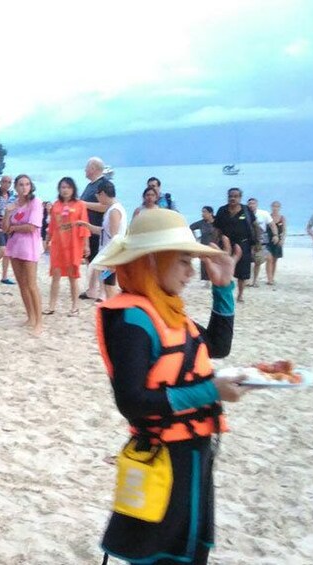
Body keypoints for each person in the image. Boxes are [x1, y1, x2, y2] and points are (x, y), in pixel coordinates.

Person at [91, 208, 247, 565]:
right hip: (162, 461)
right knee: (161, 557)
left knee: (191, 553)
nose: (191, 272)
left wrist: (223, 288)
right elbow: (132, 401)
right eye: (182, 262)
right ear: (151, 261)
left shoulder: (166, 309)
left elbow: (216, 347)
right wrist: (212, 390)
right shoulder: (132, 319)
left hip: (193, 456)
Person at [3, 174, 45, 335]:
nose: (24, 187)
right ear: (16, 187)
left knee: (31, 284)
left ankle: (39, 321)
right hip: (14, 246)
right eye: (21, 184)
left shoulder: (35, 202)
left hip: (29, 246)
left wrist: (13, 228)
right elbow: (5, 228)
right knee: (21, 284)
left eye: (27, 184)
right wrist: (7, 214)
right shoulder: (13, 205)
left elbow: (32, 227)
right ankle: (30, 317)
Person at [46, 177, 91, 316]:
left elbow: (84, 225)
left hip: (73, 245)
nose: (65, 190)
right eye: (63, 187)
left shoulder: (79, 204)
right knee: (56, 275)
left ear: (73, 189)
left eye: (68, 187)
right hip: (58, 244)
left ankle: (75, 307)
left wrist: (86, 245)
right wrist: (47, 240)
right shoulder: (56, 205)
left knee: (73, 276)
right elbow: (52, 226)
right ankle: (51, 306)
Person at [77, 182, 126, 300]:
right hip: (108, 254)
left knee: (110, 287)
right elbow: (105, 232)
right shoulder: (112, 209)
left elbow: (115, 238)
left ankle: (113, 313)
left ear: (103, 193)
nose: (97, 198)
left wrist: (112, 262)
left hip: (110, 256)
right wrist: (86, 225)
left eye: (98, 195)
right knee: (106, 284)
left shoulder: (114, 211)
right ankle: (110, 311)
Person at [213, 187, 256, 303]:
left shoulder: (246, 211)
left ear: (240, 198)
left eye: (235, 196)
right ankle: (226, 292)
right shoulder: (222, 210)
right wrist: (215, 243)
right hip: (226, 244)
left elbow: (254, 227)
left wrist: (255, 245)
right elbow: (217, 228)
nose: (232, 198)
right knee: (224, 269)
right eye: (230, 196)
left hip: (244, 244)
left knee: (242, 273)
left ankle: (240, 294)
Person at [80, 157, 108, 299]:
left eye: (87, 167)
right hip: (88, 228)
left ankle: (103, 292)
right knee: (90, 259)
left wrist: (84, 204)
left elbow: (107, 206)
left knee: (101, 261)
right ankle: (92, 289)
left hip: (99, 227)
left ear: (94, 169)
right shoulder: (91, 185)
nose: (85, 169)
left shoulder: (104, 184)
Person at [190, 206, 230, 285]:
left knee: (215, 263)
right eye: (202, 212)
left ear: (210, 213)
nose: (202, 214)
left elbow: (225, 232)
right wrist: (194, 238)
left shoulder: (217, 222)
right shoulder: (201, 223)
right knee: (205, 262)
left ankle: (215, 278)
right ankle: (206, 281)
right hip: (204, 246)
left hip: (215, 246)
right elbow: (190, 227)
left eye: (204, 212)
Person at [246, 198, 275, 287]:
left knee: (257, 261)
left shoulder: (264, 213)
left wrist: (275, 235)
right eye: (250, 203)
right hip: (247, 240)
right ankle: (247, 279)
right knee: (247, 261)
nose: (251, 205)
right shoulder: (244, 214)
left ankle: (255, 280)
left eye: (253, 203)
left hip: (260, 241)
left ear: (256, 204)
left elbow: (272, 224)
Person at [265, 201, 286, 286]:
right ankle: (269, 278)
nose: (275, 208)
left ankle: (272, 277)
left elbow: (284, 230)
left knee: (275, 260)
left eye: (277, 206)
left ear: (279, 207)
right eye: (274, 206)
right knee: (269, 259)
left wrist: (282, 240)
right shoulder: (268, 217)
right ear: (271, 207)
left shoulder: (282, 218)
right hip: (268, 240)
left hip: (278, 241)